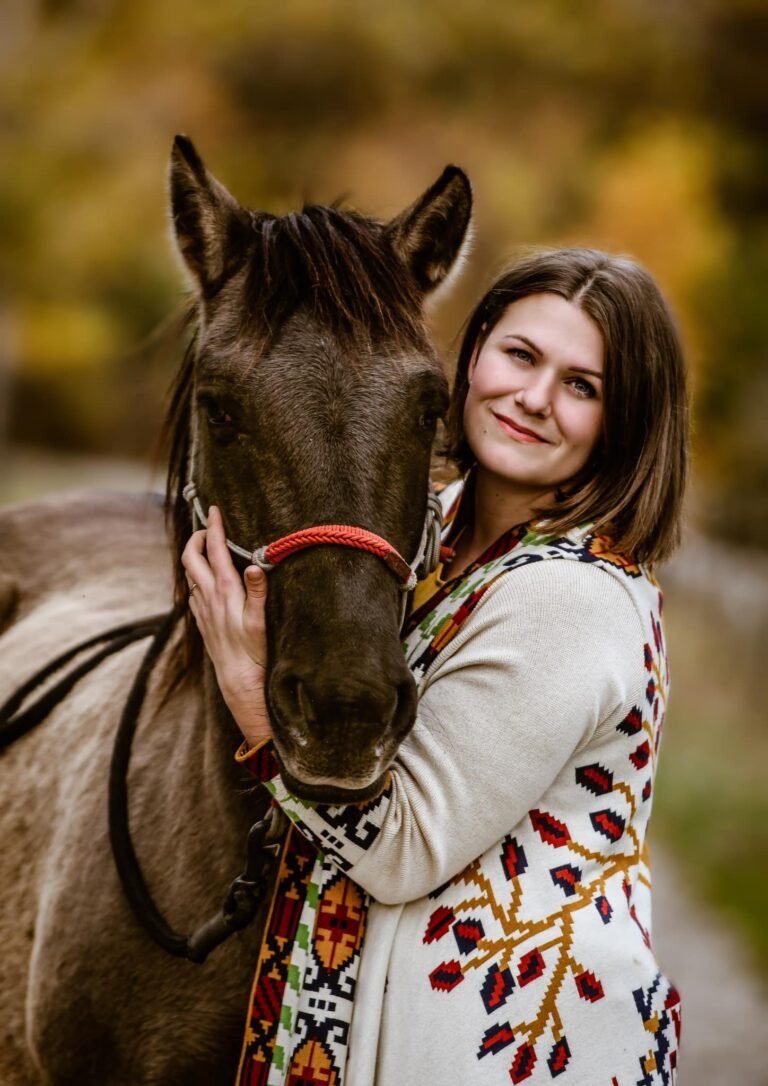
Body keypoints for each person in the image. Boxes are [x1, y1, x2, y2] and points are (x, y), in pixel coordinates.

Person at [183, 247, 688, 1085]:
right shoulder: (435, 533)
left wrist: (250, 697)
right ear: (476, 348)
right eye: (521, 356)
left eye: (582, 385)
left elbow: (404, 848)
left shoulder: (572, 597)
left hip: (511, 1050)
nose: (533, 398)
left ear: (626, 422)